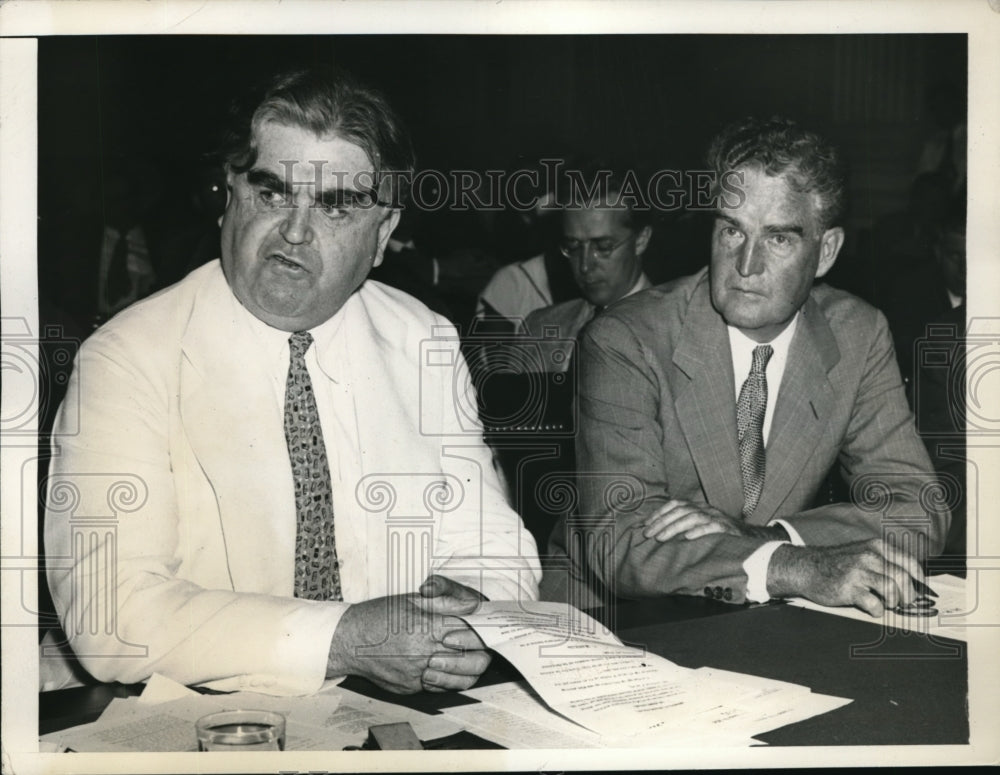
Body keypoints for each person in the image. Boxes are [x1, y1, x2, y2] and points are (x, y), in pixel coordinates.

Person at [43, 67, 540, 697]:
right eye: (273, 193)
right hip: (177, 715)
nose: (296, 230)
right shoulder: (126, 357)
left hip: (390, 708)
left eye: (334, 206)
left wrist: (470, 618)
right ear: (230, 195)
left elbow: (490, 542)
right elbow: (110, 613)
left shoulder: (424, 338)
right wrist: (344, 638)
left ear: (383, 235)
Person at [547, 117, 949, 616]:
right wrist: (797, 566)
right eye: (731, 231)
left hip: (757, 622)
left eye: (778, 239)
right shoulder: (625, 339)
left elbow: (916, 509)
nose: (745, 265)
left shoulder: (856, 334)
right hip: (613, 621)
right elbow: (622, 542)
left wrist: (764, 539)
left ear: (826, 252)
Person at [521, 167, 653, 372]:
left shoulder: (673, 333)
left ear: (641, 240)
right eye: (573, 246)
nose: (584, 265)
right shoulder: (539, 327)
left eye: (603, 247)